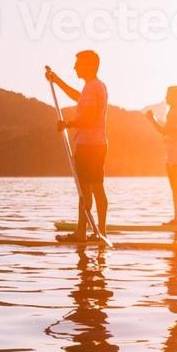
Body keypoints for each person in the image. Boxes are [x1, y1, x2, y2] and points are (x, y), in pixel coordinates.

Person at [46, 50, 109, 240]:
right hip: (98, 144)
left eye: (78, 64)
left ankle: (81, 232)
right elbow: (78, 97)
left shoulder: (92, 88)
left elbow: (89, 119)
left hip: (88, 146)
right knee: (96, 188)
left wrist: (68, 124)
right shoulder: (96, 86)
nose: (75, 67)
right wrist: (57, 81)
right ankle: (101, 231)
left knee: (85, 191)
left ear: (88, 65)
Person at [144, 86, 177, 225]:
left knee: (176, 187)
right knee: (175, 187)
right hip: (175, 151)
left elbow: (164, 131)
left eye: (168, 95)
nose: (166, 97)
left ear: (176, 97)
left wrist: (152, 119)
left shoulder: (176, 112)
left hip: (176, 152)